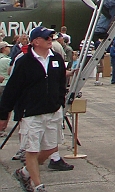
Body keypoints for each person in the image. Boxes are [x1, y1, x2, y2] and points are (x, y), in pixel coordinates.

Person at [0, 27, 75, 192]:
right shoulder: (24, 61)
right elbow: (12, 88)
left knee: (51, 148)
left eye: (51, 36)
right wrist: (4, 113)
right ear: (36, 41)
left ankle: (25, 172)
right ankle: (38, 186)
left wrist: (60, 102)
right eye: (46, 37)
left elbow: (61, 83)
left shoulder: (56, 59)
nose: (50, 39)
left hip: (53, 111)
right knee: (32, 150)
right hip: (31, 113)